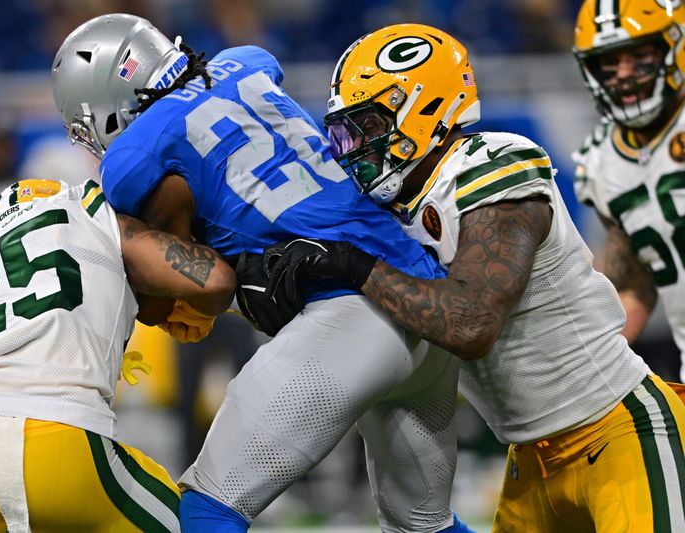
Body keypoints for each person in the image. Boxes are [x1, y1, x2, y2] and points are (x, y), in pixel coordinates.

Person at [51, 14, 473, 533]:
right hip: (419, 292)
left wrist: (171, 300)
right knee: (424, 526)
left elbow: (185, 290)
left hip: (351, 314)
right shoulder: (247, 63)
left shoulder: (136, 157)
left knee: (205, 509)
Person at [260, 23, 685, 532]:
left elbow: (472, 324)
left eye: (369, 127)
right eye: (347, 133)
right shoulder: (392, 208)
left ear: (423, 109)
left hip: (618, 433)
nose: (357, 148)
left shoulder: (490, 166)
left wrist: (350, 265)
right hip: (530, 459)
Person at [0, 178, 237, 533]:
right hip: (60, 441)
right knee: (185, 521)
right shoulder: (93, 217)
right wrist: (196, 310)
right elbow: (216, 281)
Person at [571, 0, 685, 380]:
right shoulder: (602, 161)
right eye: (610, 62)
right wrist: (589, 371)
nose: (624, 75)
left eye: (640, 57)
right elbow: (635, 284)